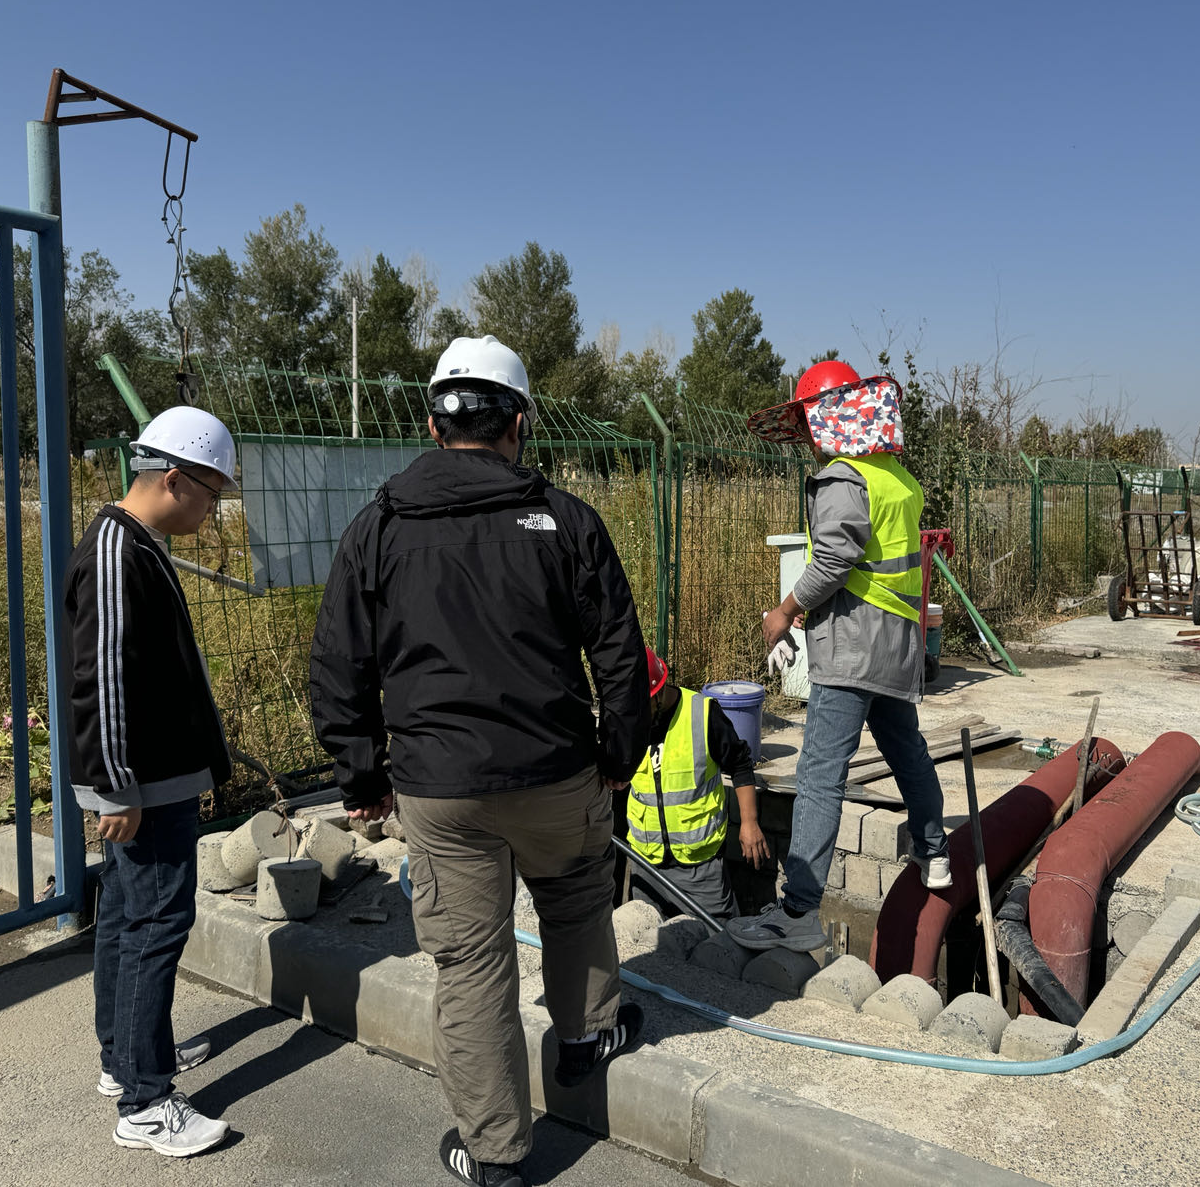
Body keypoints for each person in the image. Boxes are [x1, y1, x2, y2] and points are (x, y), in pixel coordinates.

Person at [309, 335, 650, 1187]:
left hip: (440, 787)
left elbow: (340, 663)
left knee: (470, 964)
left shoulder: (380, 525)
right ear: (519, 423)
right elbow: (618, 651)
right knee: (575, 902)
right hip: (557, 773)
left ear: (433, 425)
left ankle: (496, 1155)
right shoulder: (565, 520)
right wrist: (620, 751)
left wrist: (361, 775)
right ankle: (585, 1037)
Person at [725, 360, 950, 954]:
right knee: (906, 749)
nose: (805, 436)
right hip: (896, 646)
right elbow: (878, 564)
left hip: (852, 648)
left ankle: (797, 911)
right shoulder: (895, 476)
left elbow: (832, 560)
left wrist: (784, 611)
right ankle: (935, 852)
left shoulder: (843, 478)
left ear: (829, 418)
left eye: (807, 423)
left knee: (820, 774)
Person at [65, 405, 238, 1157]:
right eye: (212, 495)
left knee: (127, 915)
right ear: (174, 479)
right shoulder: (116, 550)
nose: (213, 512)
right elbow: (100, 676)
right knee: (153, 924)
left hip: (153, 777)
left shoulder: (134, 541)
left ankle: (127, 1057)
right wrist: (117, 785)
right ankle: (145, 1100)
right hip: (144, 783)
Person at [623, 646, 769, 922]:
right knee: (649, 940)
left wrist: (749, 823)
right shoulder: (627, 722)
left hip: (700, 867)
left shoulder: (702, 713)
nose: (633, 716)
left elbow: (739, 763)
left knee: (717, 938)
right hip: (646, 862)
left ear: (657, 693)